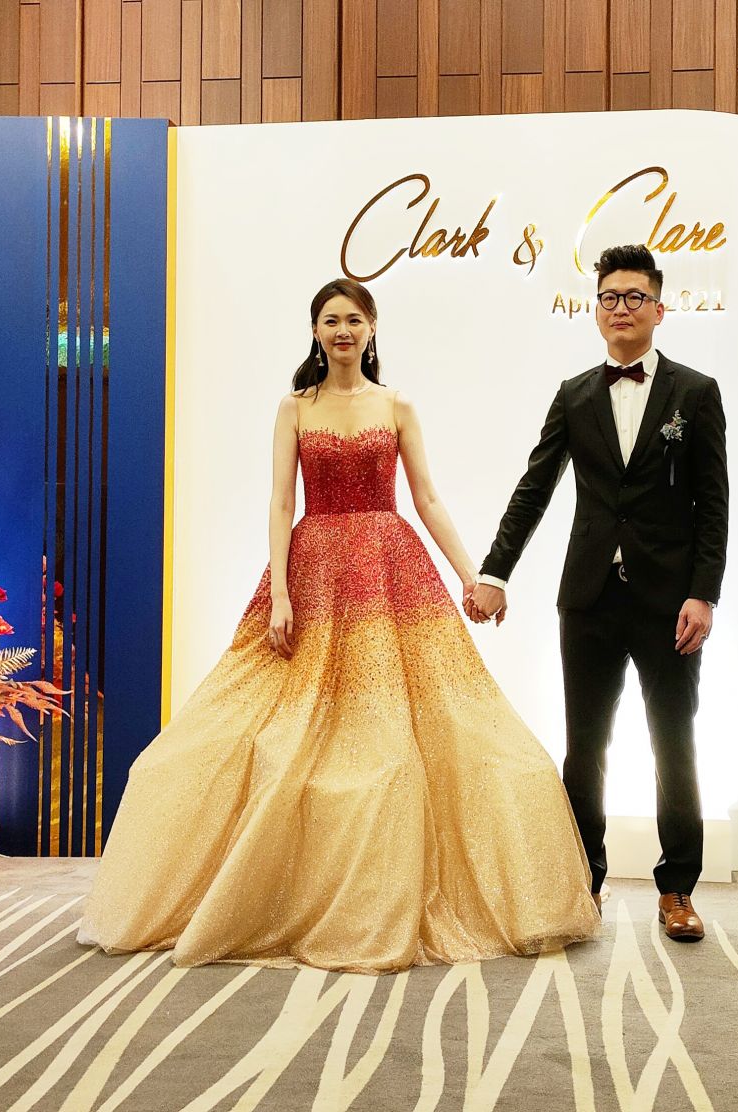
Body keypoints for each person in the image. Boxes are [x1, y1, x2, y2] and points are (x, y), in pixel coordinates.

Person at [78, 278, 597, 974]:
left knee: (405, 735)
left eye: (354, 319)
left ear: (372, 327)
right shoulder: (294, 407)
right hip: (314, 568)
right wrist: (280, 590)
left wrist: (473, 575)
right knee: (262, 734)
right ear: (316, 332)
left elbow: (427, 497)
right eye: (330, 320)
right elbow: (279, 502)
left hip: (389, 567)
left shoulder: (397, 405)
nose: (343, 330)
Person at [468, 244, 730, 943]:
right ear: (596, 310)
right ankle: (583, 881)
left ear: (659, 309)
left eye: (634, 296)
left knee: (673, 744)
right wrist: (495, 573)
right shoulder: (574, 394)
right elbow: (535, 487)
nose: (621, 308)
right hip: (587, 600)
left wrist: (703, 594)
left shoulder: (696, 393)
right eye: (610, 297)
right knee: (584, 749)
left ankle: (677, 889)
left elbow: (714, 503)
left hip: (669, 603)